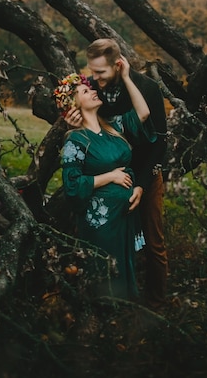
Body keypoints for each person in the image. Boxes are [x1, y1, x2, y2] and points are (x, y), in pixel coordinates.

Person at [66, 39, 168, 310]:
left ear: (118, 65)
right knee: (117, 242)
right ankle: (111, 298)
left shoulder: (146, 88)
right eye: (91, 71)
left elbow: (159, 143)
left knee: (152, 240)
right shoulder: (92, 89)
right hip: (107, 179)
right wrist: (69, 119)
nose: (93, 78)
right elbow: (80, 115)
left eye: (100, 72)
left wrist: (141, 185)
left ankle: (156, 303)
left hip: (144, 174)